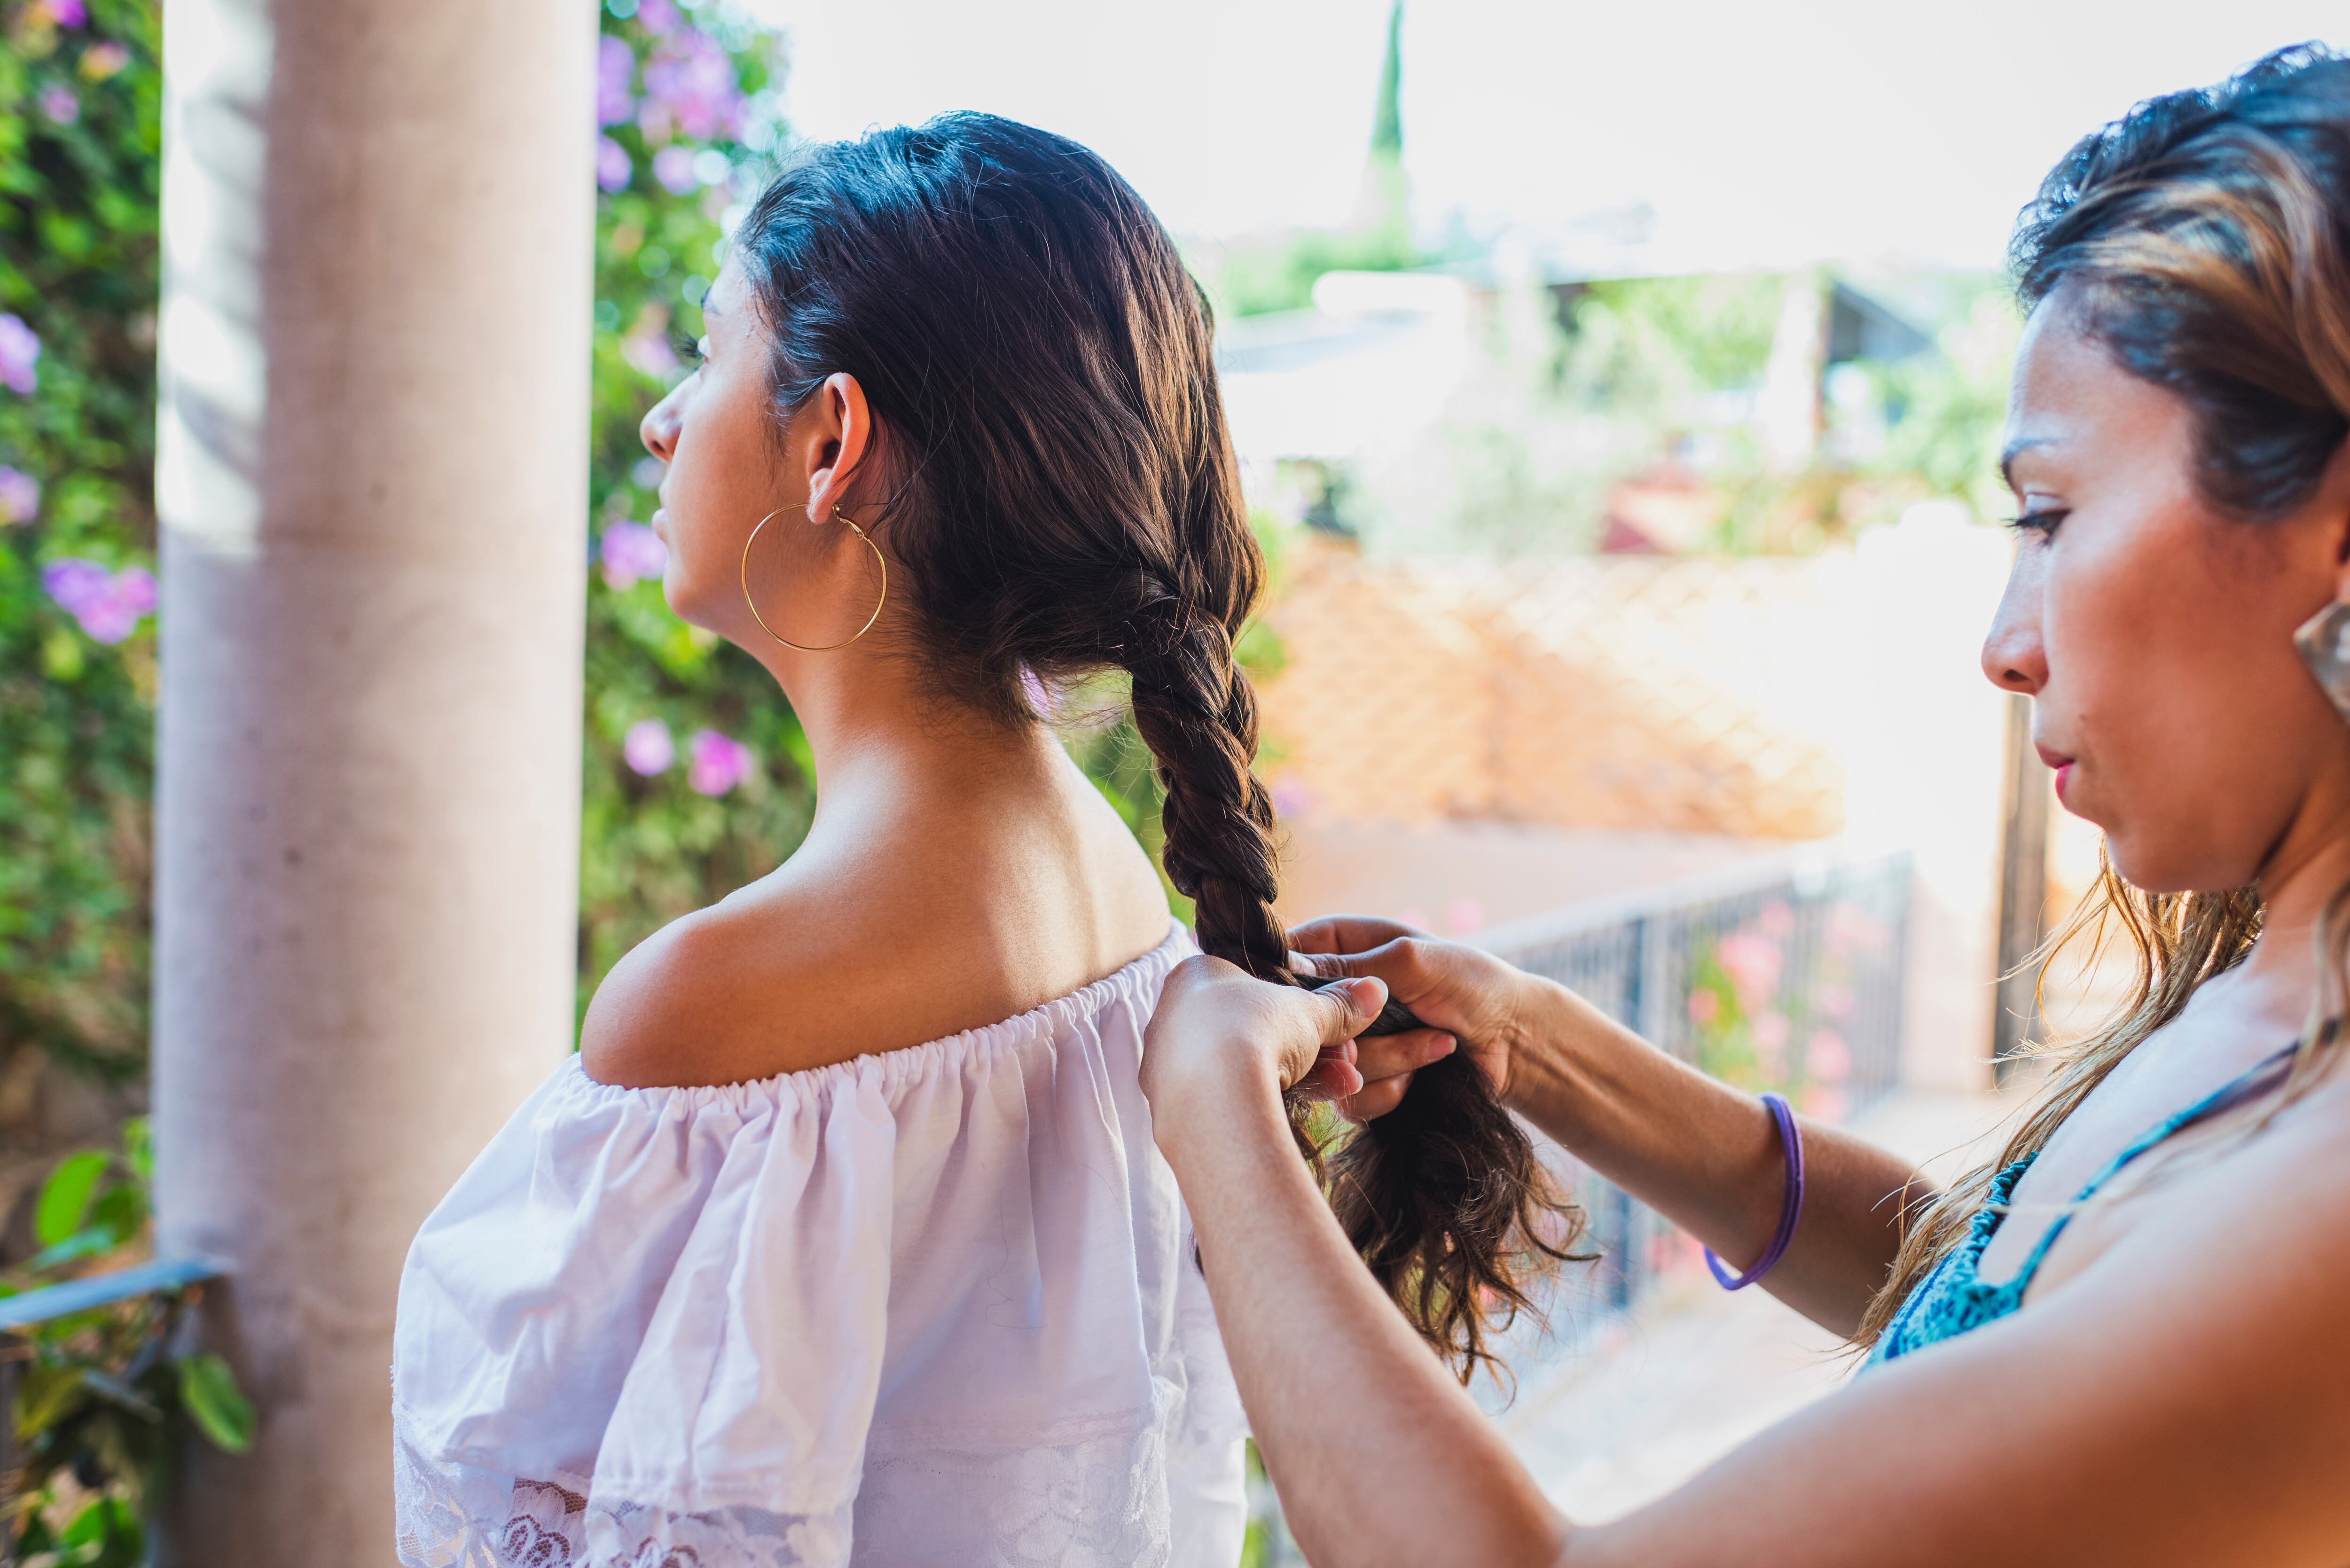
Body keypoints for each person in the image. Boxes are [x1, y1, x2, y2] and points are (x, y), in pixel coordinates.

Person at [1137, 46, 2350, 1568]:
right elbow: (1985, 1301)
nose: (2004, 639)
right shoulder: (2271, 1007)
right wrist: (1536, 1044)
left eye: (2048, 514)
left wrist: (1218, 1124)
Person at [390, 115, 1278, 1568]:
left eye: (707, 351)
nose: (662, 420)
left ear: (832, 442)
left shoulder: (715, 1009)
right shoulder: (1115, 881)